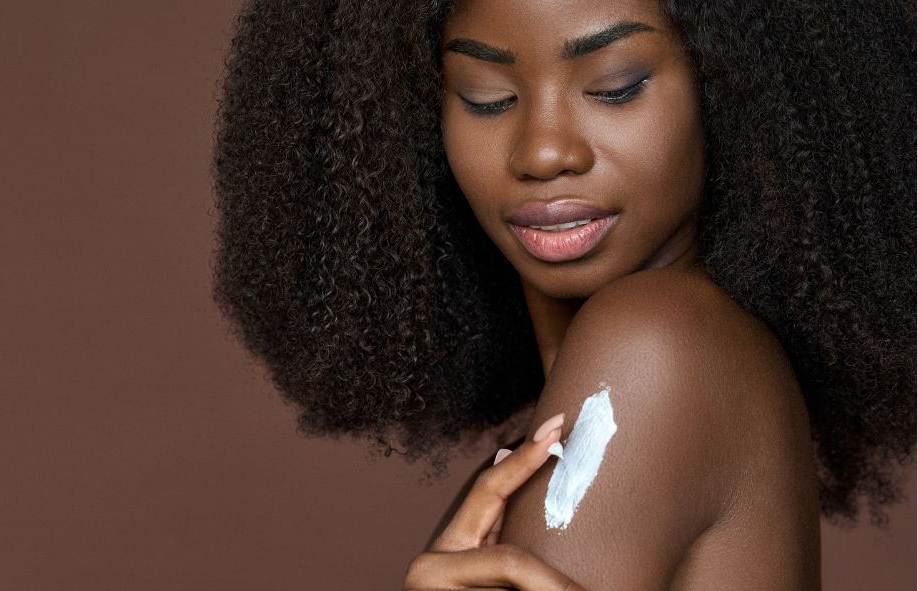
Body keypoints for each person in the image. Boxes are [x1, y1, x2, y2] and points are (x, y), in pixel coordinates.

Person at [212, 0, 915, 588]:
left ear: (731, 89)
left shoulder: (654, 345)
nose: (543, 152)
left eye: (615, 86)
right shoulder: (545, 448)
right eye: (487, 97)